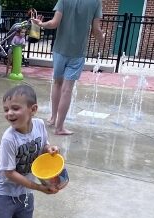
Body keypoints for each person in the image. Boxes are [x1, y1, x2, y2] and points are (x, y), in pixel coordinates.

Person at [0, 85, 60, 218]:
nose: (9, 113)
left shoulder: (40, 125)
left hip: (24, 192)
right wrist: (37, 187)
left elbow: (43, 145)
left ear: (33, 109)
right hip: (2, 190)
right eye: (6, 110)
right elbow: (9, 172)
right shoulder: (9, 139)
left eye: (15, 108)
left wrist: (49, 149)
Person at [31, 0, 105, 135]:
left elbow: (54, 23)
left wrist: (41, 24)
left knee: (57, 84)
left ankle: (53, 118)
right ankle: (59, 128)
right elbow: (96, 30)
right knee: (67, 89)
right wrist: (101, 37)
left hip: (59, 50)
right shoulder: (96, 2)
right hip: (77, 53)